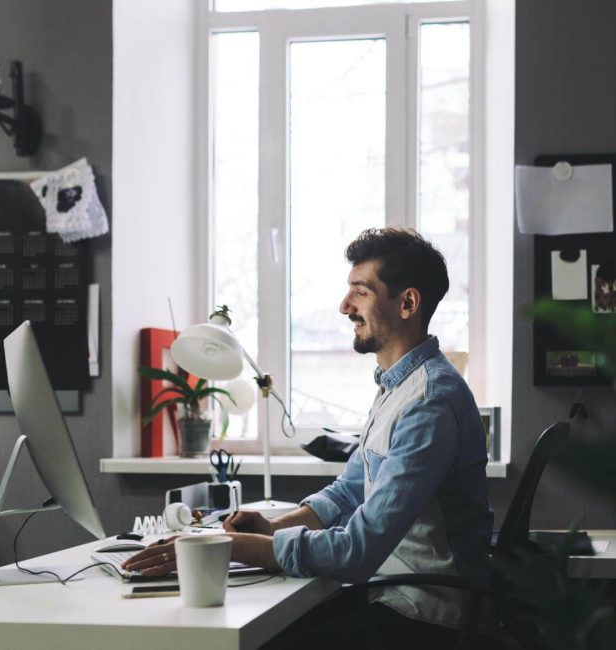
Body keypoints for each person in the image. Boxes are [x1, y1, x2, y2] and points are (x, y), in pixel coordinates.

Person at [124, 227, 494, 648]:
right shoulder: (398, 387)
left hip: (423, 614)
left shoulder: (428, 402)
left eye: (361, 292)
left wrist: (228, 546)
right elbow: (348, 492)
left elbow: (358, 551)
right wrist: (270, 528)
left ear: (407, 302)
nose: (344, 306)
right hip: (389, 591)